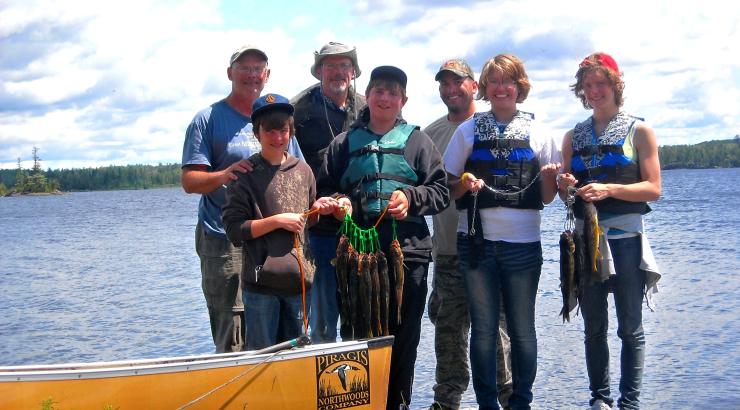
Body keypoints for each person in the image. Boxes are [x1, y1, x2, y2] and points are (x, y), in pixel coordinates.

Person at [317, 65, 449, 410]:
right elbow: (325, 187)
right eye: (379, 90)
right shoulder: (343, 144)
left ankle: (399, 403)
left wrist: (412, 199)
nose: (385, 97)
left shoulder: (419, 142)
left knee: (403, 338)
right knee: (359, 333)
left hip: (409, 256)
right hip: (359, 258)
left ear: (403, 99)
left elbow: (440, 191)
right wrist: (339, 201)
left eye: (393, 92)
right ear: (368, 96)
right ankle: (362, 402)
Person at [443, 54, 560, 409]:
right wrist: (465, 182)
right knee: (483, 331)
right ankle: (487, 404)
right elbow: (448, 186)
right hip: (477, 245)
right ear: (485, 88)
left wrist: (553, 176)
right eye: (493, 82)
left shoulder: (541, 133)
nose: (501, 88)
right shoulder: (467, 131)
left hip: (523, 247)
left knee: (523, 330)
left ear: (519, 86)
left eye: (508, 81)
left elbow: (548, 196)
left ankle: (521, 401)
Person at [181, 45, 303, 353]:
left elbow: (298, 174)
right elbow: (189, 181)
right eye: (244, 67)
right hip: (225, 239)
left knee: (279, 331)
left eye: (258, 68)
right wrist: (225, 175)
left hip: (274, 243)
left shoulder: (279, 123)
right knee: (233, 328)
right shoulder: (207, 120)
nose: (251, 74)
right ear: (229, 73)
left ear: (267, 74)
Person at [557, 52, 661, 410]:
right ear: (581, 92)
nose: (594, 90)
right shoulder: (573, 135)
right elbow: (566, 196)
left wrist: (609, 189)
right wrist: (565, 184)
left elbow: (654, 188)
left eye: (600, 83)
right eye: (588, 86)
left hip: (627, 242)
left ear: (615, 85)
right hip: (588, 244)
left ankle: (629, 402)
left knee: (630, 328)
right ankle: (599, 400)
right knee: (594, 328)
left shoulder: (640, 130)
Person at [425, 59, 512, 410]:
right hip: (446, 251)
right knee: (447, 333)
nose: (450, 90)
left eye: (457, 83)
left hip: (488, 252)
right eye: (444, 84)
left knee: (496, 334)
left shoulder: (491, 127)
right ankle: (446, 401)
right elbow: (423, 190)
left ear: (474, 86)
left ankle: (507, 397)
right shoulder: (429, 134)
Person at [222, 94, 339, 349]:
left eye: (283, 131)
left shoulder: (304, 171)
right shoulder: (244, 174)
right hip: (261, 288)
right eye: (270, 131)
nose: (277, 138)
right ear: (257, 133)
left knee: (296, 364)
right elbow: (234, 230)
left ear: (291, 132)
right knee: (262, 362)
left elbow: (308, 222)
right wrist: (276, 221)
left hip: (299, 288)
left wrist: (318, 209)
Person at [291, 41, 367, 343]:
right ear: (319, 71)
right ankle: (319, 382)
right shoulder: (298, 109)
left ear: (353, 71)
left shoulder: (366, 107)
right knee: (322, 322)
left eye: (344, 65)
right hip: (319, 230)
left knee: (360, 314)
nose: (338, 72)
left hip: (360, 228)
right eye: (330, 65)